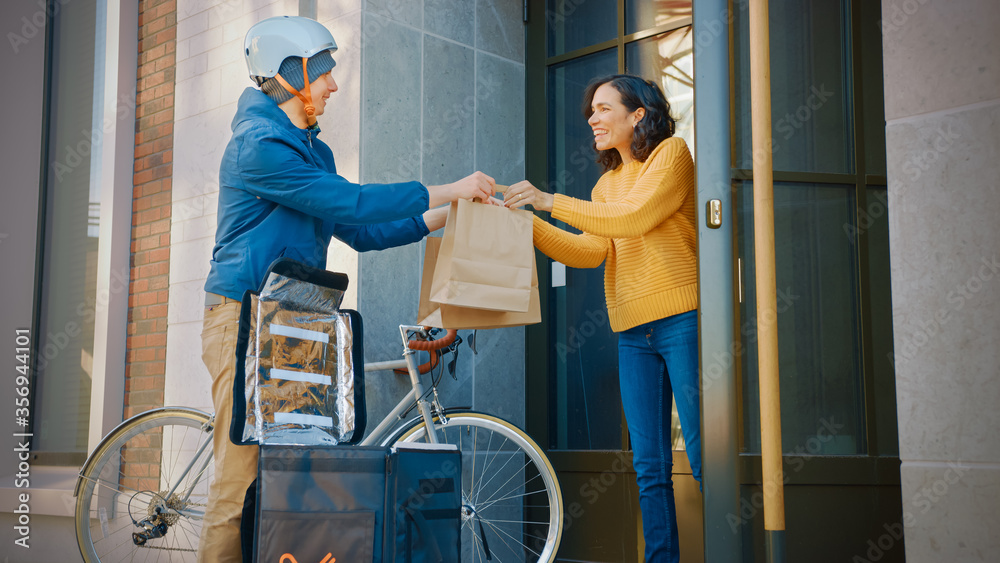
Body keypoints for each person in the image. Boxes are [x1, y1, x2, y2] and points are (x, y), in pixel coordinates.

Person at [198, 15, 495, 562]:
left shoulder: (315, 152)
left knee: (292, 478)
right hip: (242, 318)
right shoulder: (259, 146)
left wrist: (448, 212)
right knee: (243, 480)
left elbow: (362, 230)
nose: (334, 85)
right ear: (291, 72)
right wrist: (450, 186)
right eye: (326, 72)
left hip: (293, 320)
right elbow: (354, 203)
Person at [504, 74, 700, 563]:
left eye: (603, 108)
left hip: (683, 321)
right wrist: (525, 221)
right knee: (649, 466)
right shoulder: (605, 185)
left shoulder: (670, 156)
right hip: (633, 332)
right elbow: (590, 252)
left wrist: (549, 200)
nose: (592, 118)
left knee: (702, 457)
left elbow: (634, 218)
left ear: (639, 114)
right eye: (590, 110)